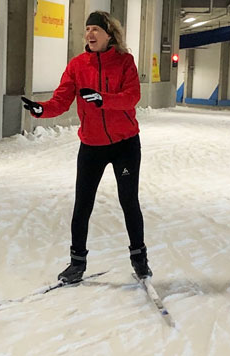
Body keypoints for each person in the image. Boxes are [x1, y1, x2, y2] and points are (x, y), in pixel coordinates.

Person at [20, 11, 151, 283]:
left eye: (96, 29)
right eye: (87, 29)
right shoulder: (78, 65)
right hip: (92, 145)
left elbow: (132, 97)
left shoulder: (125, 62)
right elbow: (61, 99)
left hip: (125, 144)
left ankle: (140, 259)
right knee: (82, 204)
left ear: (109, 34)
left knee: (128, 201)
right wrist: (40, 109)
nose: (90, 34)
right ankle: (76, 263)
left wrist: (103, 99)